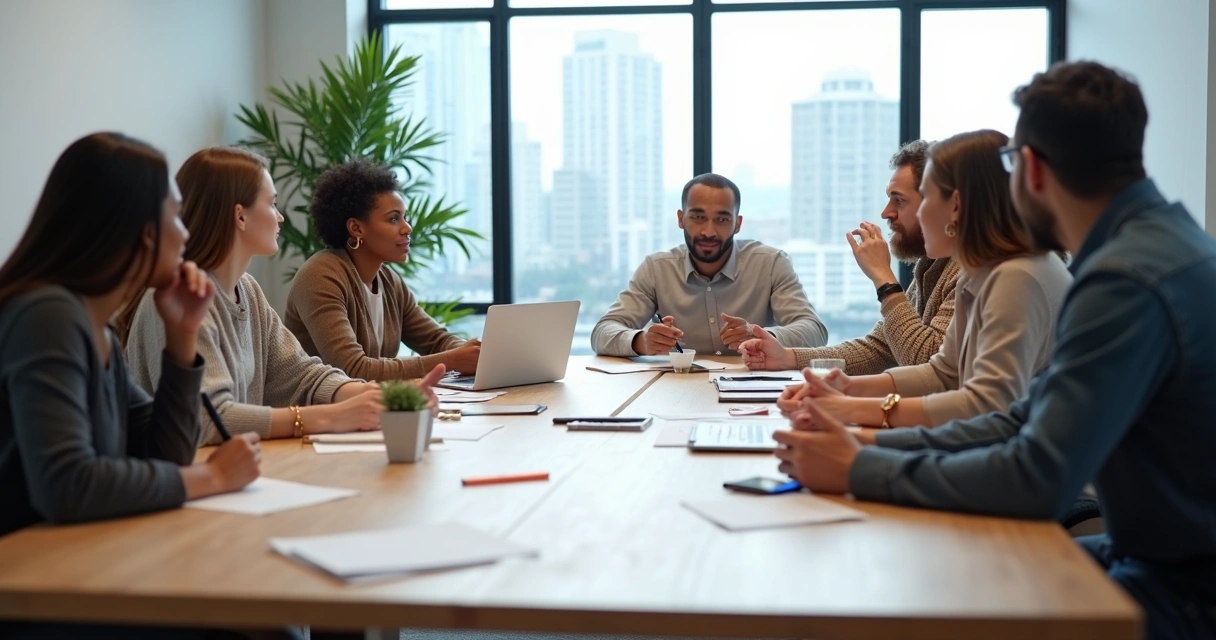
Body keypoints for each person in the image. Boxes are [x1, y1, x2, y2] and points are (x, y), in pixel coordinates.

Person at [774, 61, 1216, 639]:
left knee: (915, 594)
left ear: (1029, 169)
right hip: (1164, 557)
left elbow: (1037, 477)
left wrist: (862, 463)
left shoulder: (1122, 280)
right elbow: (1019, 415)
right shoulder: (1163, 244)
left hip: (1183, 588)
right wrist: (863, 441)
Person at [0, 133, 261, 637]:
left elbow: (167, 454)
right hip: (32, 586)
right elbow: (67, 486)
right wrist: (213, 479)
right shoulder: (47, 316)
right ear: (143, 231)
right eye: (176, 217)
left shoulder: (95, 329)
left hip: (75, 564)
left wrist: (183, 336)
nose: (186, 235)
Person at [122, 147, 442, 446]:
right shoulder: (178, 301)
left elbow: (302, 374)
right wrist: (328, 417)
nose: (280, 217)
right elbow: (210, 419)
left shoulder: (247, 290)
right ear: (240, 216)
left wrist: (374, 395)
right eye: (272, 203)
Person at [777, 129, 1071, 429]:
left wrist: (851, 412)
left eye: (925, 196)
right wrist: (846, 390)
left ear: (955, 206)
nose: (886, 213)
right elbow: (942, 372)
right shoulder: (982, 269)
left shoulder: (1016, 275)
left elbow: (984, 405)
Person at [740, 140, 963, 374]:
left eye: (899, 200)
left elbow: (927, 361)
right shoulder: (931, 264)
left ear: (948, 205)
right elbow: (883, 349)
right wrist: (787, 357)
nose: (886, 212)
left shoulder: (966, 270)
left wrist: (884, 279)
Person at [591, 173, 827, 357]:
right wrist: (640, 341)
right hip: (677, 391)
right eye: (698, 217)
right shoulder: (657, 269)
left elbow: (814, 331)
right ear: (681, 219)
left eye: (722, 219)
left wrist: (762, 337)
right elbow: (602, 332)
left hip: (752, 387)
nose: (708, 231)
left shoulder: (771, 264)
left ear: (738, 224)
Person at [285, 159, 479, 380]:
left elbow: (436, 340)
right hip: (313, 412)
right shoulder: (320, 276)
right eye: (394, 219)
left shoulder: (389, 281)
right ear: (356, 228)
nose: (407, 228)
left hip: (369, 409)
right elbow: (353, 369)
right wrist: (451, 360)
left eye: (405, 217)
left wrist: (471, 352)